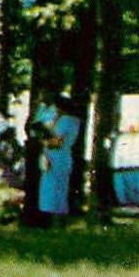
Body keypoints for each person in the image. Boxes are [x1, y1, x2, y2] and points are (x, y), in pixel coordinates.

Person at [38, 96, 80, 225]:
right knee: (61, 189)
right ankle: (59, 219)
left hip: (55, 157)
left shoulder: (64, 120)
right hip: (65, 157)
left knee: (52, 191)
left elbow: (57, 141)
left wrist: (44, 139)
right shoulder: (75, 121)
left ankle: (54, 221)